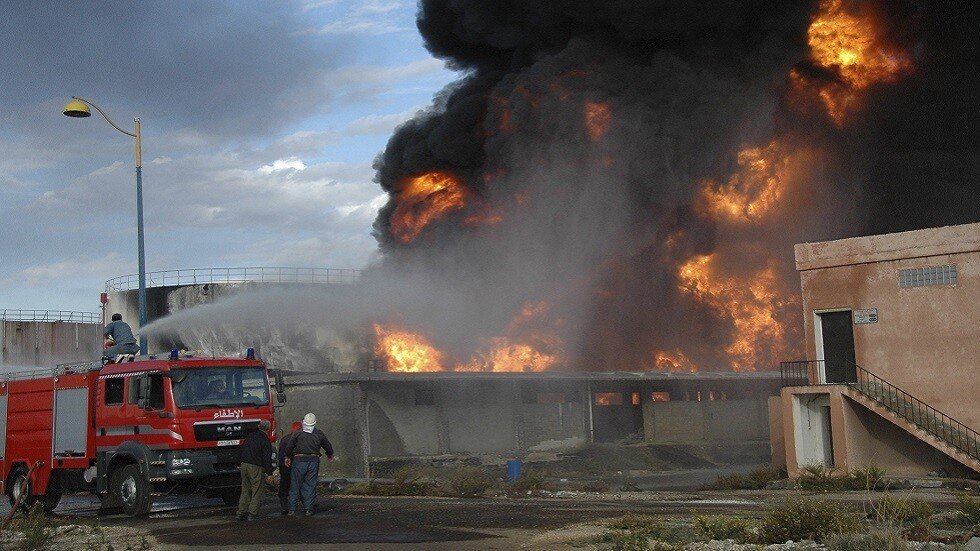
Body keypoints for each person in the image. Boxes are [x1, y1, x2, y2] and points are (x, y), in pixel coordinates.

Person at [282, 413, 333, 516]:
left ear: (303, 422)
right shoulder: (319, 434)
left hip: (299, 460)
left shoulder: (297, 433)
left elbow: (289, 447)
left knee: (295, 485)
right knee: (310, 485)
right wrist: (329, 454)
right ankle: (308, 509)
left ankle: (292, 509)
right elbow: (328, 447)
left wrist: (287, 457)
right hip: (313, 460)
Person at [237, 419, 275, 521]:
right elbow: (267, 458)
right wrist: (270, 473)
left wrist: (239, 463)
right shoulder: (265, 440)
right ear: (268, 428)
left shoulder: (249, 436)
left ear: (258, 426)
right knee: (256, 490)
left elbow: (242, 449)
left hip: (244, 465)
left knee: (245, 490)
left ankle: (241, 513)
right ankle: (253, 514)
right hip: (256, 467)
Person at [277, 421, 302, 516]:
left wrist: (281, 466)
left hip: (284, 467)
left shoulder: (284, 439)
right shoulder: (299, 439)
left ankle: (284, 506)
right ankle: (300, 505)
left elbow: (280, 454)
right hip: (295, 466)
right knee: (297, 486)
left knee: (284, 487)